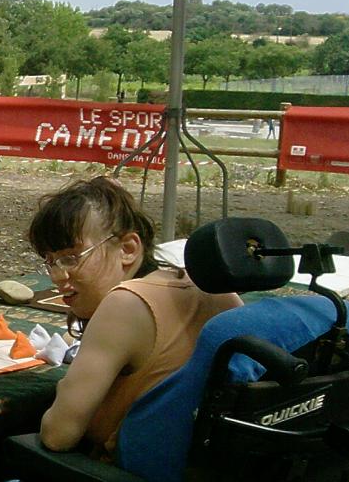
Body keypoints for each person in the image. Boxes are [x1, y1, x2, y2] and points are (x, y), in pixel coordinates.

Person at [29, 177, 241, 458]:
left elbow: (58, 435)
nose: (57, 276)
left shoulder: (124, 304)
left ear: (128, 249)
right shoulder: (213, 289)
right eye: (50, 261)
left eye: (71, 257)